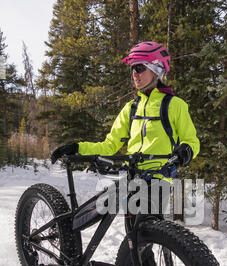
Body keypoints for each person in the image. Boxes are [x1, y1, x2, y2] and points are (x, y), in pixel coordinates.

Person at [51, 41, 200, 215]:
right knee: (104, 221)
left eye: (139, 68)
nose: (134, 74)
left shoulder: (174, 105)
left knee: (144, 233)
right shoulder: (131, 108)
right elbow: (109, 145)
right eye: (132, 69)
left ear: (156, 69)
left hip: (158, 180)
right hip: (132, 178)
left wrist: (185, 152)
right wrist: (77, 148)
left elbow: (191, 141)